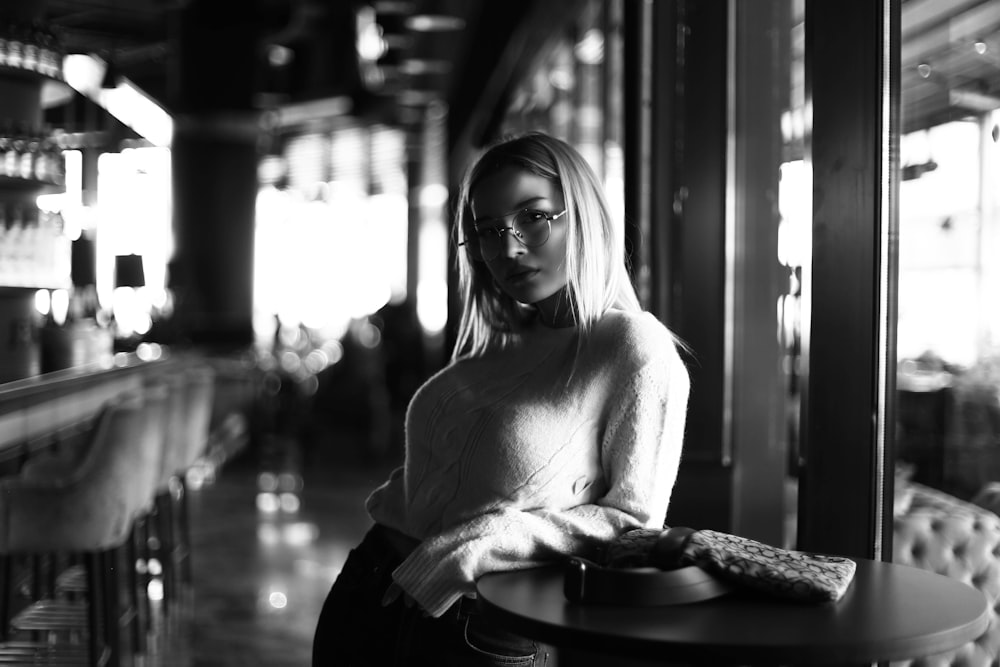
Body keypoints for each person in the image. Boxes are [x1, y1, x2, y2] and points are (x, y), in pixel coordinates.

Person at [312, 131, 691, 666]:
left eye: (533, 217)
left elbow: (631, 524)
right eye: (488, 231)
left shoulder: (633, 347)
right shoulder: (502, 346)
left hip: (476, 624)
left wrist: (480, 542)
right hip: (370, 588)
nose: (508, 247)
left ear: (582, 215)